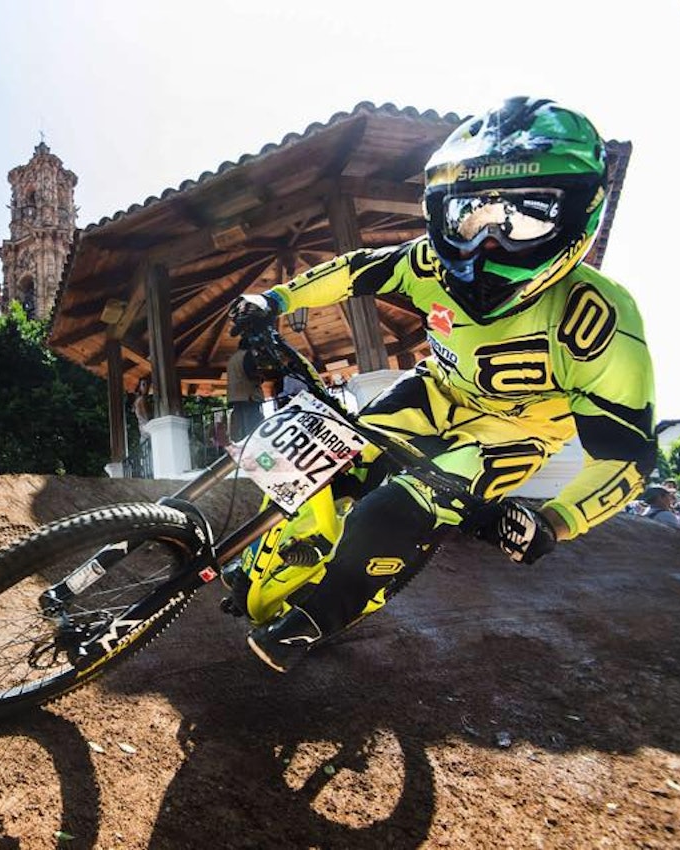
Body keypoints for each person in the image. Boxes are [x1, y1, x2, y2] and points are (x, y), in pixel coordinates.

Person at [230, 96, 658, 673]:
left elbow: (627, 458)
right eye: (470, 216)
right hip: (435, 391)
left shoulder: (601, 317)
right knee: (311, 446)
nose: (488, 243)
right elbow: (355, 269)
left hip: (512, 436)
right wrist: (273, 300)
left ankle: (317, 620)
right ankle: (264, 550)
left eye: (524, 217)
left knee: (395, 510)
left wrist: (555, 522)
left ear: (581, 213)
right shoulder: (429, 261)